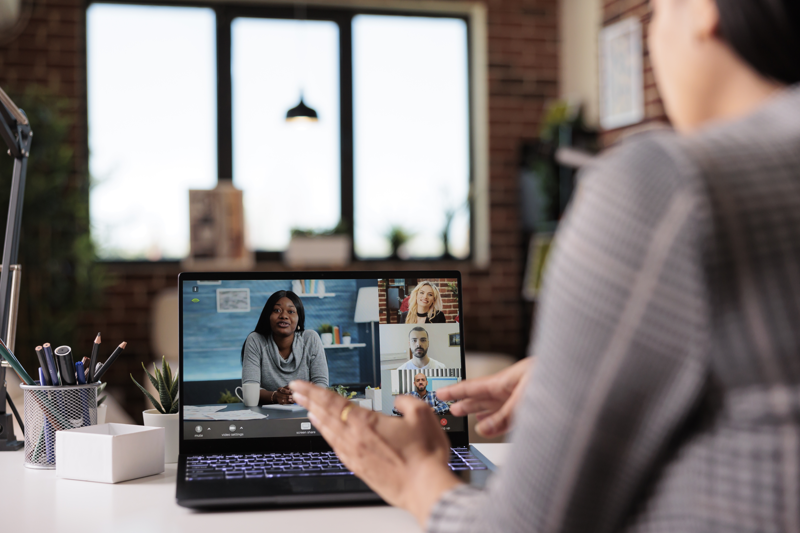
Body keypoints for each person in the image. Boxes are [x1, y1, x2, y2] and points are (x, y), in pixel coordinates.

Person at [290, 0, 800, 531]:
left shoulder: (668, 183)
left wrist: (415, 477)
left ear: (700, 9)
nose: (653, 40)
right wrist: (586, 370)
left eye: (657, 11)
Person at [241, 290, 328, 405]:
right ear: (268, 316)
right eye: (277, 310)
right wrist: (275, 396)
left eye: (291, 311)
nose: (283, 316)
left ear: (299, 319)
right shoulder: (256, 340)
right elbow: (250, 389)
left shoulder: (310, 339)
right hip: (267, 416)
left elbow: (321, 384)